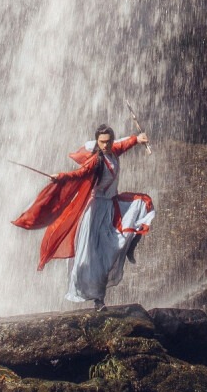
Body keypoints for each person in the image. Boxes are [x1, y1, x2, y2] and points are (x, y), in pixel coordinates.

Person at [12, 126, 154, 309]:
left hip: (111, 206)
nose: (106, 145)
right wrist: (61, 177)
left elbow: (124, 145)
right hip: (95, 211)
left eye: (109, 141)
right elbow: (78, 174)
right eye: (102, 142)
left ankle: (130, 247)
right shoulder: (96, 160)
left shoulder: (113, 152)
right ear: (97, 142)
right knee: (95, 256)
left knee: (144, 204)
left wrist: (137, 139)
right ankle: (98, 300)